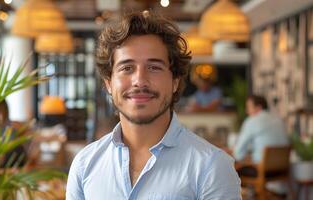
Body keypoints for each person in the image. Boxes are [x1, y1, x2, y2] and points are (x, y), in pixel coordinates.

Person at [66, 11, 241, 199]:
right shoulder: (84, 164)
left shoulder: (212, 167)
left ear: (175, 81)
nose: (140, 81)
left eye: (154, 67)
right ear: (108, 83)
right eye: (127, 68)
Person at [233, 95, 290, 164]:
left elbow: (238, 153)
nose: (246, 111)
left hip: (262, 170)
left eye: (248, 107)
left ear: (258, 108)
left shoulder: (252, 120)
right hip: (282, 169)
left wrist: (239, 156)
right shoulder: (278, 119)